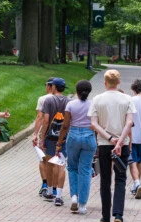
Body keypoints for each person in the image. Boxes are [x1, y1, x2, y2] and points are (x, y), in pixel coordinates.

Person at [88, 69, 136, 222]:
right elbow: (129, 123)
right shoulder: (127, 99)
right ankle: (118, 215)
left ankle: (105, 216)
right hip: (122, 144)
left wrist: (109, 139)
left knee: (105, 180)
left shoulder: (98, 99)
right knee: (121, 179)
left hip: (104, 144)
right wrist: (120, 141)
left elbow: (94, 124)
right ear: (119, 82)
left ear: (105, 83)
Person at [56, 80, 97, 214]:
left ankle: (74, 196)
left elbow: (65, 125)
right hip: (89, 136)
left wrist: (59, 142)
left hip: (73, 135)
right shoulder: (93, 105)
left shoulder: (71, 104)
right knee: (85, 169)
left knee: (72, 167)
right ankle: (83, 204)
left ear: (77, 91)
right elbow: (96, 125)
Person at [40, 78, 70, 206]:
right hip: (64, 137)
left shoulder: (49, 100)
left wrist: (42, 137)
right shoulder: (69, 101)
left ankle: (50, 191)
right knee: (61, 165)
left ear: (53, 87)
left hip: (50, 137)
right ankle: (59, 195)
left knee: (50, 163)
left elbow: (46, 120)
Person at [32, 77, 58, 197]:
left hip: (47, 133)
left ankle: (45, 184)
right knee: (56, 161)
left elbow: (40, 118)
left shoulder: (43, 99)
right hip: (59, 133)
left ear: (49, 86)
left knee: (43, 159)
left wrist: (36, 134)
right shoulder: (63, 99)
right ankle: (55, 188)